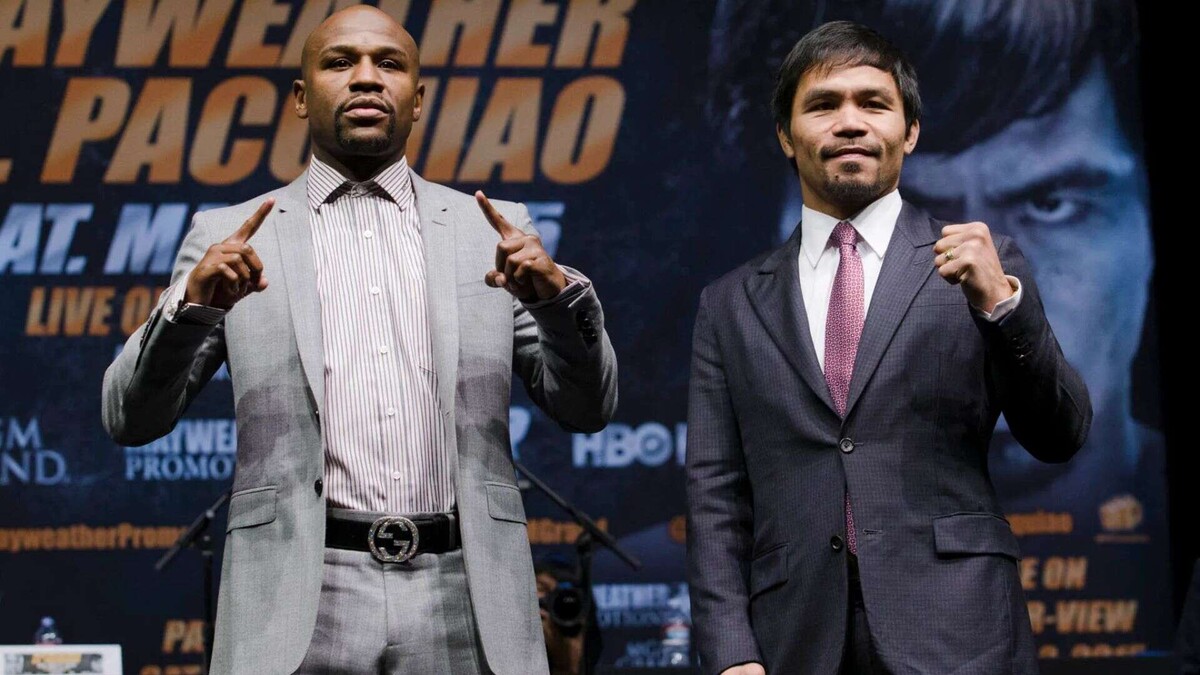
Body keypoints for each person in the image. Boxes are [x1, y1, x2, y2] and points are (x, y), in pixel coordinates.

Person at [101, 6, 617, 674]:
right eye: (341, 62)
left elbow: (588, 407)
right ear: (301, 96)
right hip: (297, 594)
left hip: (465, 593)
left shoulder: (491, 230)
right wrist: (191, 309)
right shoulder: (232, 235)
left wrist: (555, 302)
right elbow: (129, 416)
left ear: (417, 100)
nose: (367, 78)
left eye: (389, 64)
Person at [704, 0, 1173, 654]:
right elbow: (717, 496)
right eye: (824, 104)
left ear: (911, 132)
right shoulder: (731, 303)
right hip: (798, 639)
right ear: (785, 136)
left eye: (1052, 201)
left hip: (961, 637)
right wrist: (732, 654)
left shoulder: (996, 268)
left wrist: (1002, 307)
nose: (850, 121)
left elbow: (1061, 434)